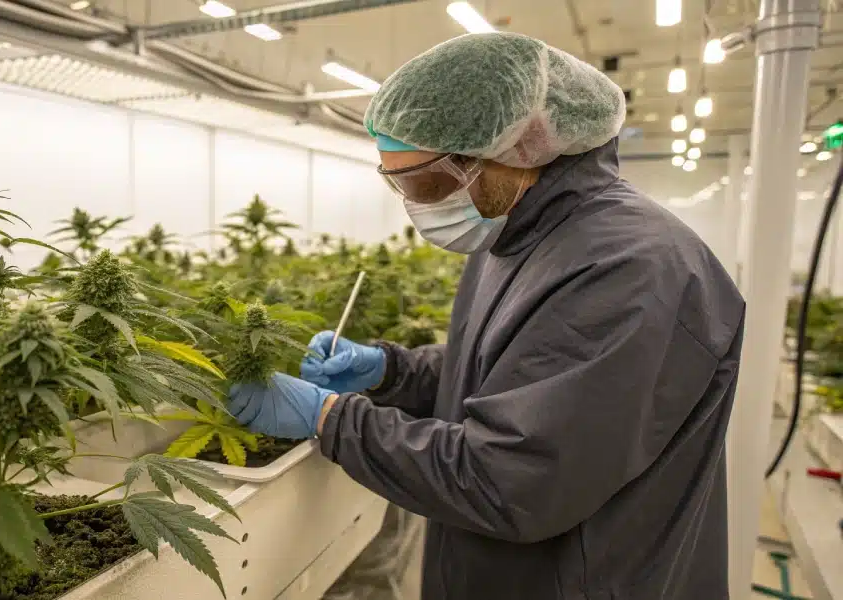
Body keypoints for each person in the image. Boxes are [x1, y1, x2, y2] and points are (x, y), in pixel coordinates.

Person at [227, 32, 745, 600]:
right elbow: (515, 368)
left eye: (428, 181)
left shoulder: (630, 269)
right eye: (397, 182)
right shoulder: (515, 233)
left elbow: (511, 482)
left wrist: (332, 419)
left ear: (523, 147)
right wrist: (389, 372)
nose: (418, 204)